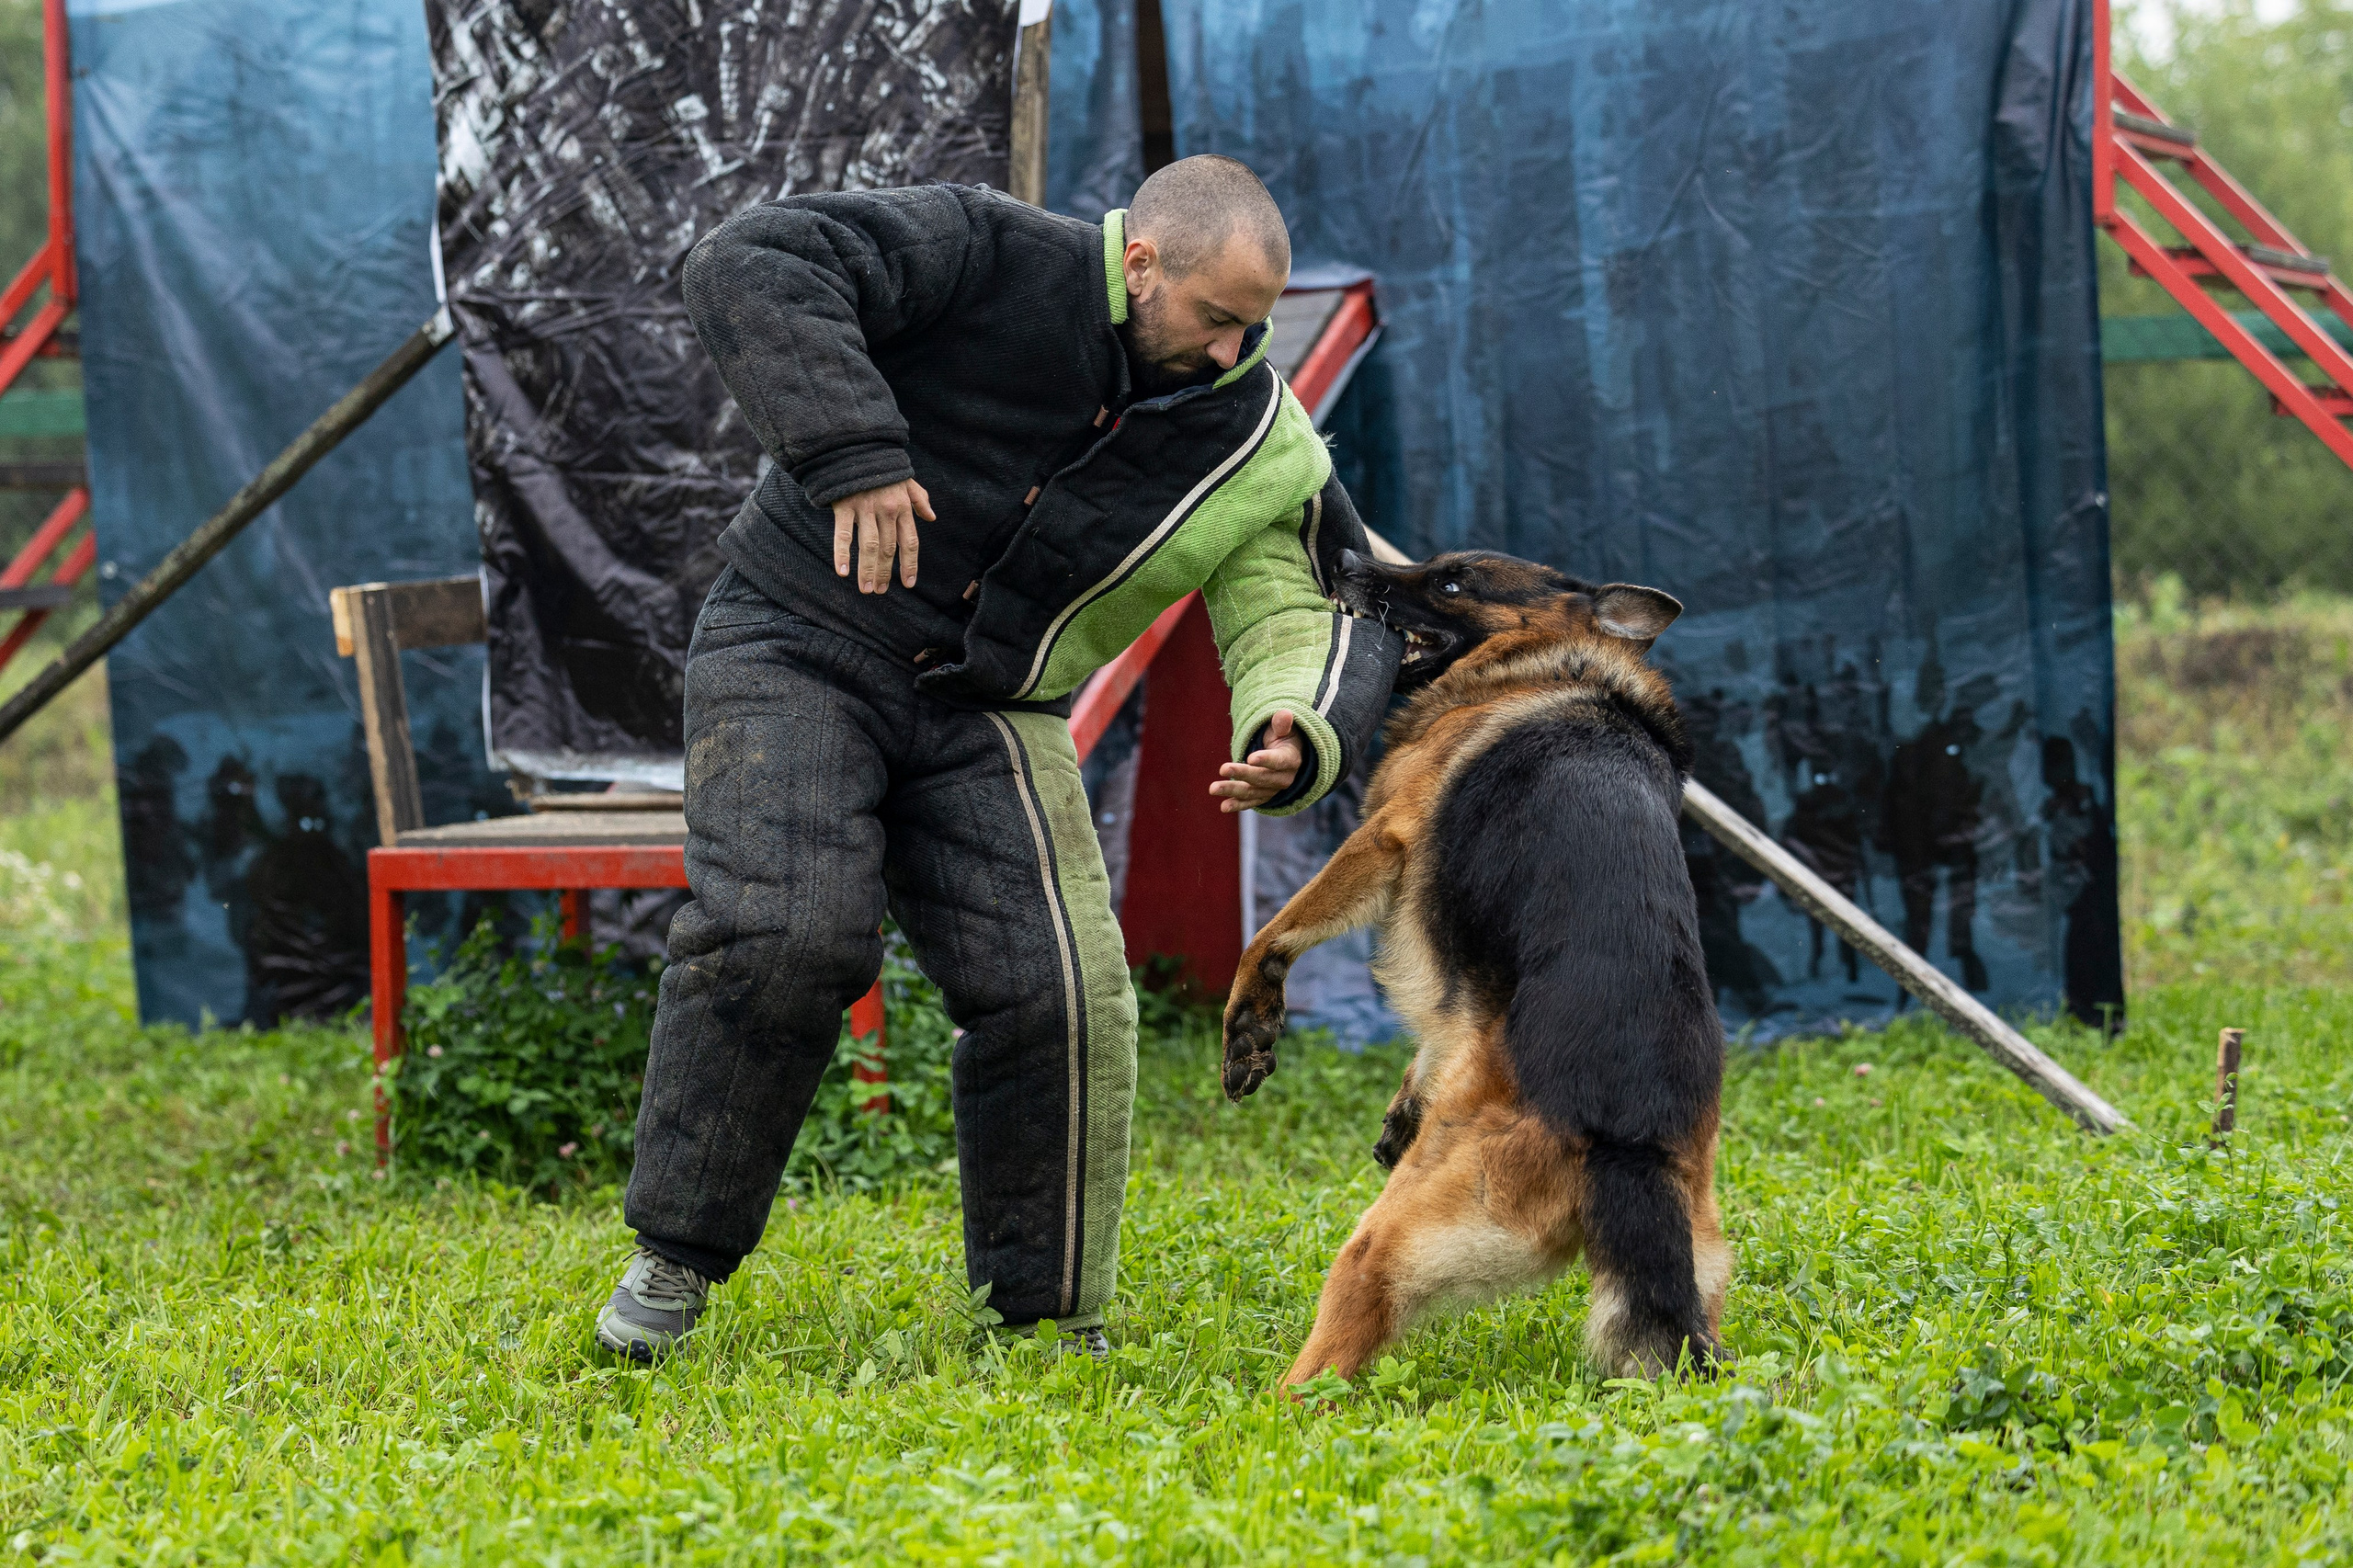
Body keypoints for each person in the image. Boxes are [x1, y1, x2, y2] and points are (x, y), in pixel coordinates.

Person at [595, 156, 1403, 1361]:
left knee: (1063, 991)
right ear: (1141, 261)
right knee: (790, 929)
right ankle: (672, 1259)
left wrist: (1292, 721)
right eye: (1217, 318)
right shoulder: (984, 250)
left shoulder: (1256, 440)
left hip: (992, 705)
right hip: (797, 643)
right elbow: (752, 261)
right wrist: (854, 450)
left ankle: (1047, 1316)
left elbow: (1297, 599)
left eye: (1256, 328)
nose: (1239, 352)